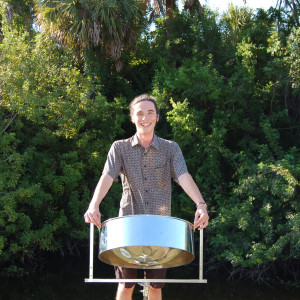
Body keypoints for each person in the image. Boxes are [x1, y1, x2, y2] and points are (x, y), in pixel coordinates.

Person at [84, 94, 209, 300]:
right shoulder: (119, 148)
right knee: (126, 285)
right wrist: (94, 205)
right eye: (140, 113)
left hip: (160, 229)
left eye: (150, 112)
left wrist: (200, 204)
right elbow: (107, 175)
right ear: (132, 117)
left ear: (157, 117)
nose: (145, 118)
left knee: (155, 287)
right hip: (128, 227)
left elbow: (183, 175)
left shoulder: (171, 148)